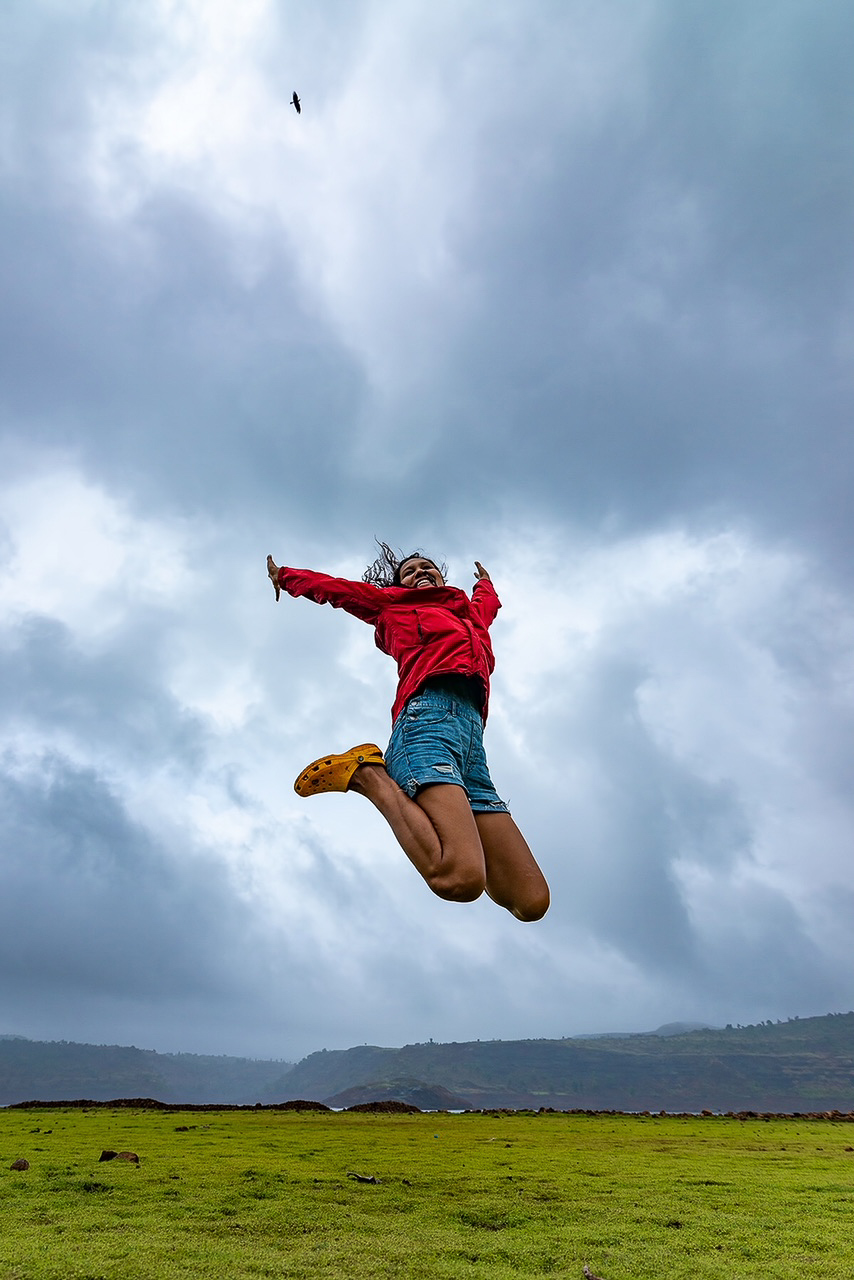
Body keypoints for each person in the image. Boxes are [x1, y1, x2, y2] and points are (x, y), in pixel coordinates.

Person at [266, 543, 550, 922]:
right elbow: (338, 590)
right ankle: (368, 774)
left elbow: (486, 607)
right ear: (399, 584)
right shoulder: (391, 604)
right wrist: (286, 577)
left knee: (530, 901)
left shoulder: (468, 615)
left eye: (427, 567)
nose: (420, 572)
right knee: (459, 879)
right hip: (425, 722)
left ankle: (456, 829)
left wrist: (486, 586)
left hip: (471, 746)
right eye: (410, 570)